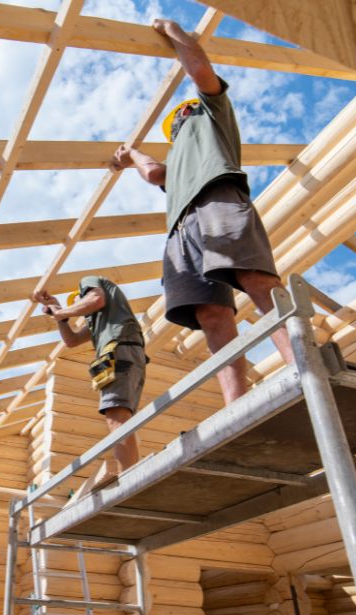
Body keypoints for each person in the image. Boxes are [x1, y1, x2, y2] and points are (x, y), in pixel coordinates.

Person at [111, 18, 295, 406]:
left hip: (217, 198)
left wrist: (176, 32)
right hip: (180, 227)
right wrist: (132, 156)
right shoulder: (175, 160)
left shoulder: (213, 116)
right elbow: (154, 173)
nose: (180, 118)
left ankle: (301, 360)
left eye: (182, 112)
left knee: (256, 279)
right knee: (211, 315)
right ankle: (237, 405)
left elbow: (200, 70)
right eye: (174, 121)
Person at [32, 276, 144, 486]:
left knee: (115, 414)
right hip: (127, 352)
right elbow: (72, 341)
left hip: (119, 348)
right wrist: (59, 315)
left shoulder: (91, 282)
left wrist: (62, 311)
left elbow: (96, 299)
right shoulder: (98, 321)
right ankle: (133, 472)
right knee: (120, 416)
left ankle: (131, 479)